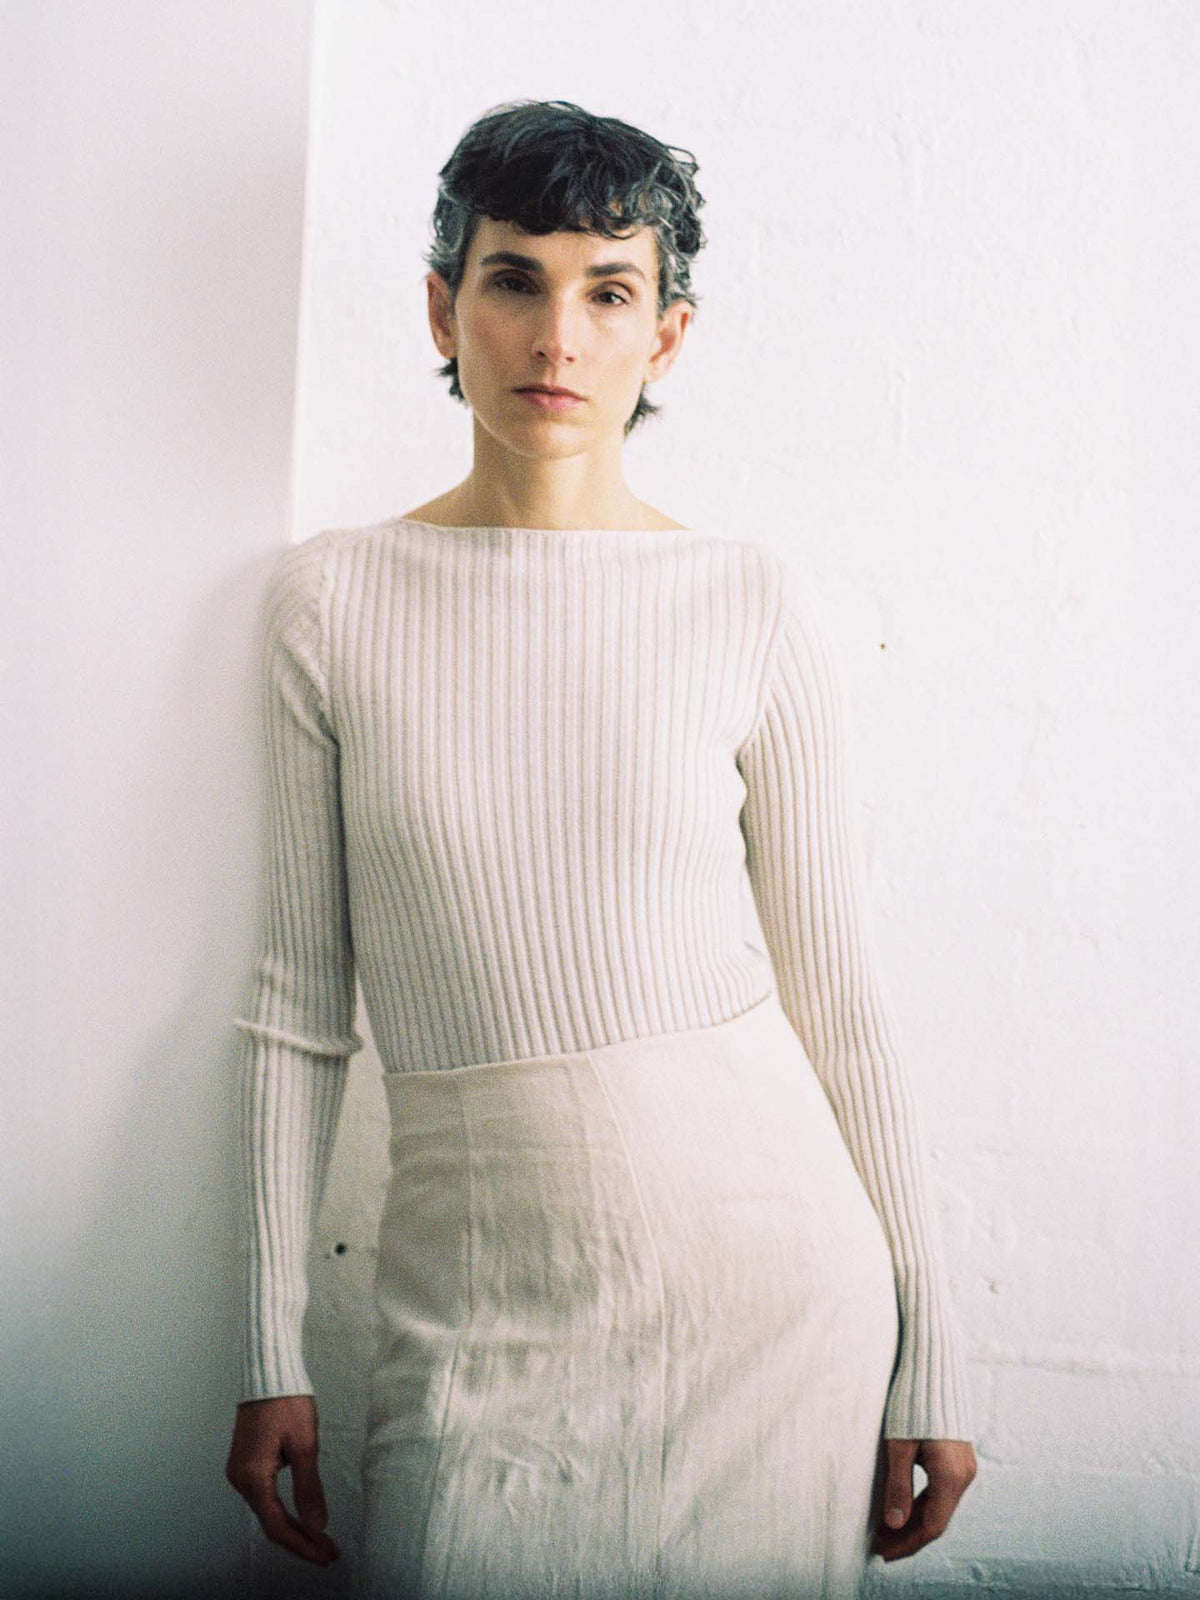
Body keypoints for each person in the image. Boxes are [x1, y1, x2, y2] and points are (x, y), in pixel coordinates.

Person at [224, 97, 978, 1598]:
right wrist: (266, 1347)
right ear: (447, 306)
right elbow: (297, 1010)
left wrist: (937, 1353)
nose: (556, 336)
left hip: (768, 1308)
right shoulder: (333, 602)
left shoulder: (749, 602)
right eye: (514, 279)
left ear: (667, 337)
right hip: (474, 1310)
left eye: (608, 290)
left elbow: (841, 999)